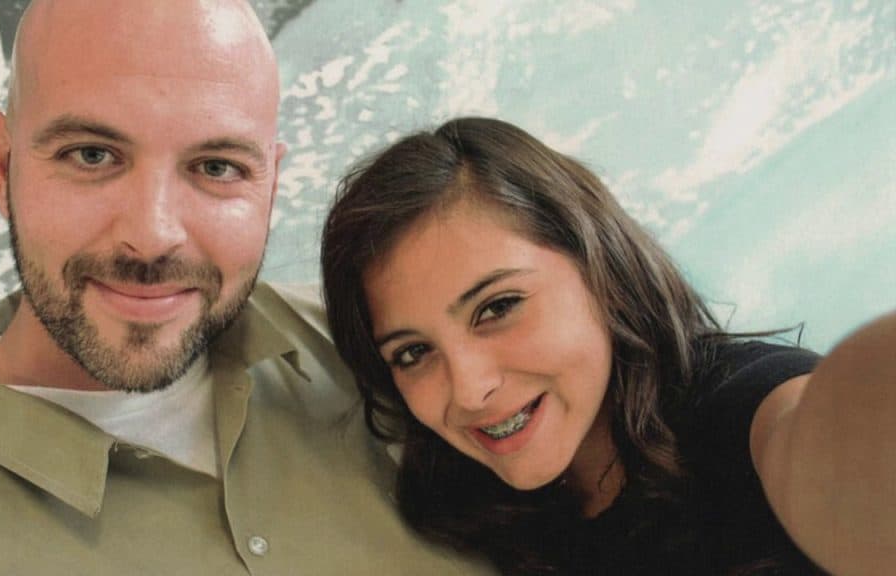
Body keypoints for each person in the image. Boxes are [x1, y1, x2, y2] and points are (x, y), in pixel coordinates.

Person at [0, 3, 497, 575]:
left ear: (271, 186)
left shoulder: (396, 356)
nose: (153, 236)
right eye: (92, 155)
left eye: (217, 167)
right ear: (3, 167)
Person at [320, 116, 896, 575]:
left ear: (602, 267)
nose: (471, 389)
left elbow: (835, 444)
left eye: (497, 308)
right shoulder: (465, 511)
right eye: (413, 352)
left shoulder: (743, 414)